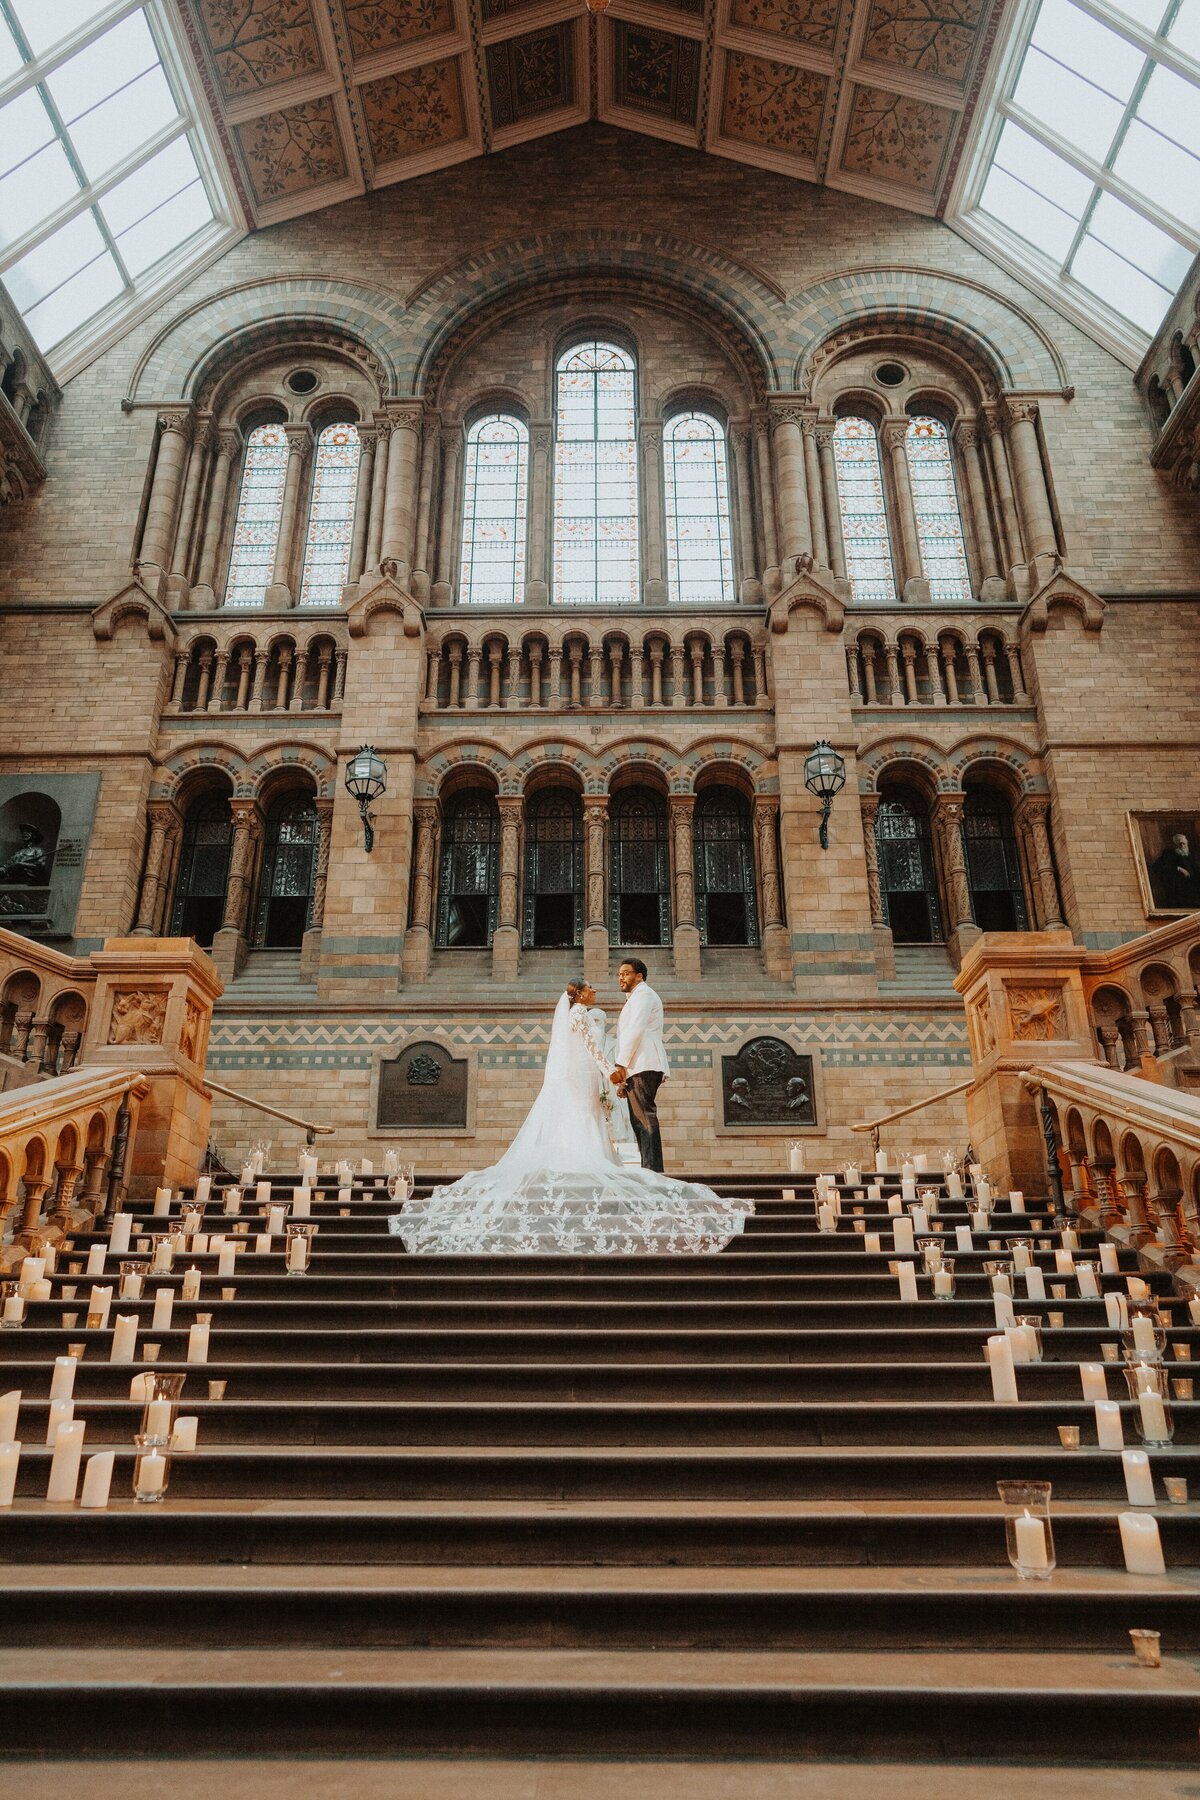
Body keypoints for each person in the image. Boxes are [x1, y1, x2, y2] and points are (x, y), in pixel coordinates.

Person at [392, 980, 752, 1255]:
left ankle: (582, 1155)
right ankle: (586, 1158)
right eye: (591, 988)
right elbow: (593, 1047)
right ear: (579, 995)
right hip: (581, 1072)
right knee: (582, 1114)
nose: (597, 991)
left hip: (577, 1073)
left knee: (580, 1114)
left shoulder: (576, 1013)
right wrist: (611, 1071)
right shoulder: (579, 1014)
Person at [608, 957, 669, 1173]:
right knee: (637, 1119)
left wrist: (621, 1065)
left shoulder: (643, 995)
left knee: (644, 1115)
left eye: (626, 973)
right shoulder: (635, 997)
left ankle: (653, 1170)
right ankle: (648, 1166)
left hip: (643, 1061)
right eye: (619, 974)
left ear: (639, 975)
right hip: (637, 1063)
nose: (621, 977)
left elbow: (635, 1030)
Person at [1150, 831, 1200, 911]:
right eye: (1180, 844)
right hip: (1178, 890)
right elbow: (1156, 867)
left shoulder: (1190, 856)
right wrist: (1178, 868)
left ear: (1187, 843)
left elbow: (1197, 871)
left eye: (1184, 843)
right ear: (1175, 844)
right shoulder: (1169, 854)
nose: (1182, 846)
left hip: (1193, 888)